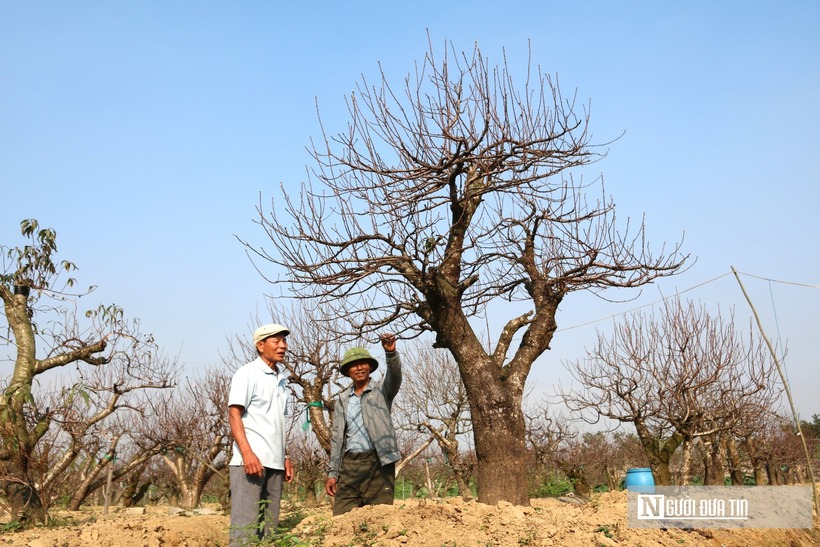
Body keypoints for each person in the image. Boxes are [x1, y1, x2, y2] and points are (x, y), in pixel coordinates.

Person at [227, 323, 295, 545]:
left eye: (284, 341)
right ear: (260, 345)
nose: (283, 346)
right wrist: (247, 454)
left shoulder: (282, 380)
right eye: (276, 341)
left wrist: (285, 456)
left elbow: (278, 422)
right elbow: (234, 414)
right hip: (251, 463)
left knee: (268, 531)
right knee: (245, 531)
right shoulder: (247, 373)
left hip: (274, 464)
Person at [325, 333, 402, 516]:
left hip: (378, 463)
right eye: (354, 365)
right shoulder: (343, 400)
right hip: (350, 465)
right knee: (342, 518)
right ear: (347, 371)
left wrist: (391, 354)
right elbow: (337, 439)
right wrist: (333, 473)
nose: (359, 368)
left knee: (378, 517)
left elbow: (395, 377)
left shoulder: (382, 391)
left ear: (370, 367)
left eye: (363, 364)